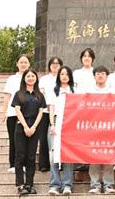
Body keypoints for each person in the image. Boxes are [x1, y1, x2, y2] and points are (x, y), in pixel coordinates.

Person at [11, 69, 46, 195]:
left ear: (36, 78)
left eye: (32, 76)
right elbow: (17, 110)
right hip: (21, 127)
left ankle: (29, 184)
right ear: (24, 78)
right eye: (28, 76)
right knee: (20, 156)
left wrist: (34, 127)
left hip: (35, 127)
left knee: (31, 157)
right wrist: (26, 127)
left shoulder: (39, 95)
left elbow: (41, 112)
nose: (30, 78)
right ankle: (20, 185)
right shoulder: (19, 94)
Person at [86, 66, 115, 194]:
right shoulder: (88, 91)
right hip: (93, 127)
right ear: (94, 76)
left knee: (108, 156)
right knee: (94, 156)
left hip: (109, 127)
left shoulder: (112, 91)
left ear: (107, 76)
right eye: (98, 74)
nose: (100, 76)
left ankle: (109, 184)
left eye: (103, 73)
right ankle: (95, 184)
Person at [47, 66, 76, 195]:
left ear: (70, 76)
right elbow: (51, 109)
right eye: (62, 74)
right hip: (56, 122)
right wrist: (52, 124)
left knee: (68, 155)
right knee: (53, 155)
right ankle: (55, 184)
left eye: (66, 74)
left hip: (70, 124)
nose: (64, 76)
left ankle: (67, 184)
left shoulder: (75, 91)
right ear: (58, 76)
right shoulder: (54, 90)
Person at [2, 54, 31, 173]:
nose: (23, 64)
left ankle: (23, 164)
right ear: (17, 64)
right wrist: (4, 112)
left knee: (25, 140)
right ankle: (13, 164)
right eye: (21, 62)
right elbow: (7, 95)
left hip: (27, 114)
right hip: (13, 113)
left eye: (25, 62)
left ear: (29, 64)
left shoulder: (31, 77)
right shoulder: (11, 79)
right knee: (13, 138)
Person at [37, 57, 63, 172]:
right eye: (53, 63)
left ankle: (59, 163)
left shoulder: (63, 78)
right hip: (45, 112)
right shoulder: (44, 79)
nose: (55, 65)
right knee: (43, 138)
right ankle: (44, 164)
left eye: (57, 63)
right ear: (49, 65)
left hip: (59, 112)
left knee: (58, 139)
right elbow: (40, 94)